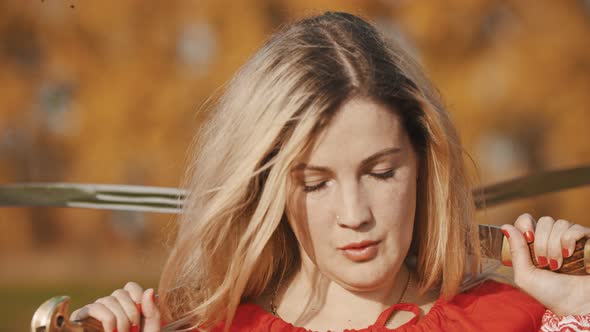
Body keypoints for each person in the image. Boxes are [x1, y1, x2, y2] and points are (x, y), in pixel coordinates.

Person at [69, 11, 590, 332]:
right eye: (315, 184)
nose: (354, 215)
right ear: (268, 188)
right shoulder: (211, 329)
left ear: (423, 165)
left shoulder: (514, 320)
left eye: (381, 173)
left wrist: (581, 305)